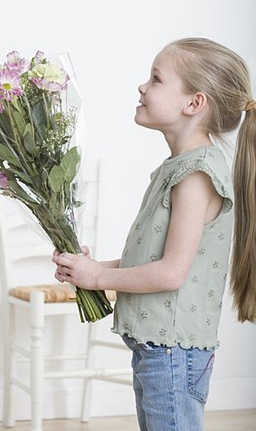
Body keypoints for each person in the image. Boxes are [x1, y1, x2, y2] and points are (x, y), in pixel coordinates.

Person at [53, 37, 256, 431]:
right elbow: (153, 261)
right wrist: (89, 268)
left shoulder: (196, 176)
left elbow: (169, 273)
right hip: (160, 350)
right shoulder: (179, 167)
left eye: (156, 79)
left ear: (193, 103)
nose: (142, 87)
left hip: (172, 353)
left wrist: (97, 278)